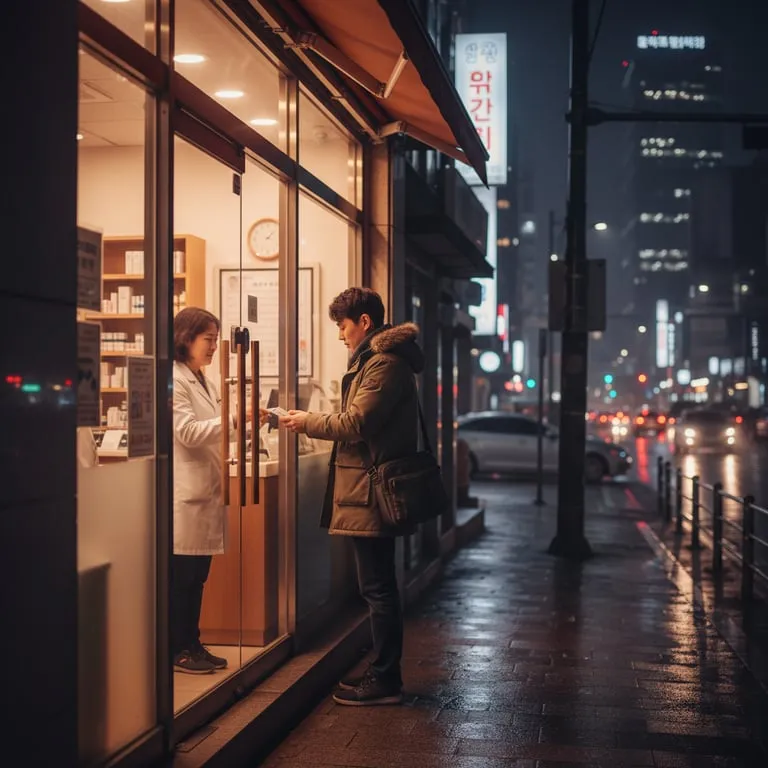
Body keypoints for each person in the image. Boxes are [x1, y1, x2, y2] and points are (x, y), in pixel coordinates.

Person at [279, 287, 424, 706]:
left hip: (372, 491)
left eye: (343, 326)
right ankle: (382, 671)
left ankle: (385, 679)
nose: (340, 335)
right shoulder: (378, 361)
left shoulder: (383, 364)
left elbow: (357, 422)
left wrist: (308, 421)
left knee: (378, 588)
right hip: (367, 489)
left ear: (364, 322)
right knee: (376, 586)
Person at [172, 308, 267, 674]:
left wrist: (245, 425)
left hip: (205, 492)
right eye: (208, 340)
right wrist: (234, 418)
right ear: (186, 338)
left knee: (198, 577)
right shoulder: (174, 378)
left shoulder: (203, 379)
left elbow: (215, 429)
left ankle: (191, 644)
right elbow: (187, 432)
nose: (214, 347)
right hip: (185, 497)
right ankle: (178, 649)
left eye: (214, 339)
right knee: (182, 579)